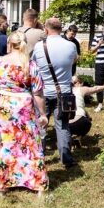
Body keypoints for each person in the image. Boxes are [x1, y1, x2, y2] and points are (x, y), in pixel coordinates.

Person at [0, 31, 49, 195]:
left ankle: (3, 185)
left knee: (4, 142)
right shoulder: (30, 65)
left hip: (3, 105)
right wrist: (43, 114)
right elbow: (38, 93)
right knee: (31, 143)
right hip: (24, 105)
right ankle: (37, 183)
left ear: (9, 44)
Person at [32, 17, 79, 167]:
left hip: (43, 92)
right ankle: (66, 158)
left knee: (41, 124)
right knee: (63, 125)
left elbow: (33, 65)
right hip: (64, 92)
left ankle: (39, 157)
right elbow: (74, 61)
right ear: (61, 29)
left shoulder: (39, 47)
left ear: (46, 29)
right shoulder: (71, 46)